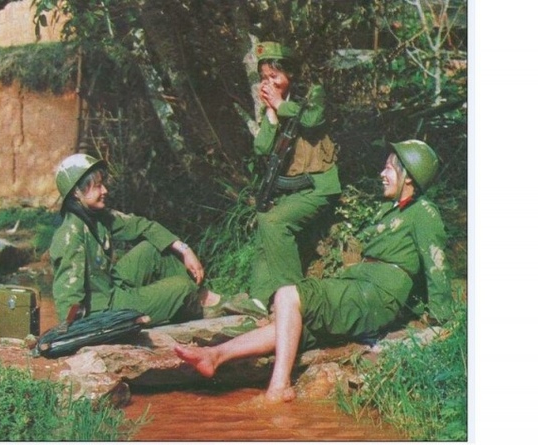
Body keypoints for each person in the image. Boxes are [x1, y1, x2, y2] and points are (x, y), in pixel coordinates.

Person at [175, 140, 454, 403]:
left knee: (287, 294)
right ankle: (215, 356)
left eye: (389, 169)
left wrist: (440, 319)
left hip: (374, 296)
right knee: (290, 326)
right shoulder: (390, 210)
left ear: (409, 177)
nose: (382, 174)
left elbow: (436, 263)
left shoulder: (424, 212)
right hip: (360, 291)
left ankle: (279, 386)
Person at [229, 41, 341, 316]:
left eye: (274, 76)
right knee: (265, 223)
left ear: (290, 73)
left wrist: (280, 105)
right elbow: (262, 148)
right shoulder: (274, 107)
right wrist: (270, 113)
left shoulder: (312, 94)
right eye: (264, 77)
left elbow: (312, 120)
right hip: (293, 190)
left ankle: (294, 298)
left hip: (318, 186)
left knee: (275, 222)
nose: (269, 82)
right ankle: (259, 299)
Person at [49, 153, 224, 326]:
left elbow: (142, 226)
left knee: (154, 250)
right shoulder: (70, 234)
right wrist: (75, 328)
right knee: (182, 287)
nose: (105, 191)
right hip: (104, 310)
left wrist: (185, 250)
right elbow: (68, 296)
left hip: (110, 285)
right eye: (97, 186)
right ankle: (196, 304)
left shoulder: (97, 217)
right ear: (76, 193)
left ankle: (210, 299)